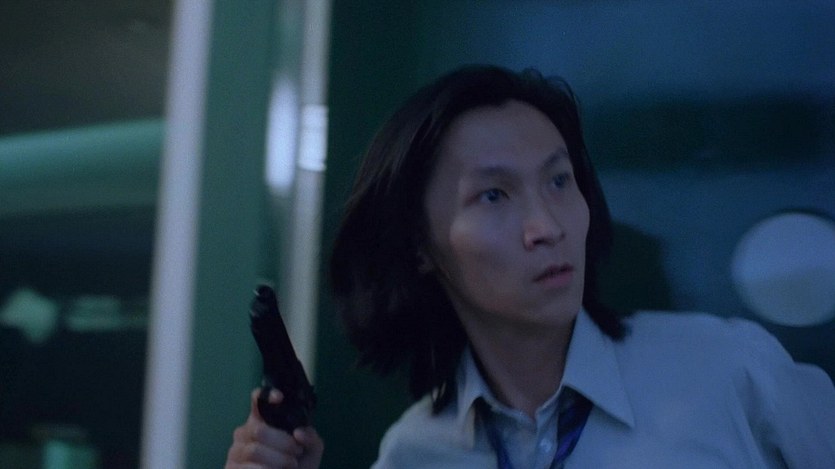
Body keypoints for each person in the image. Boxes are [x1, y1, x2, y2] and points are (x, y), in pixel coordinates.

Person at [225, 65, 835, 469]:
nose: (547, 225)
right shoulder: (414, 454)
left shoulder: (727, 372)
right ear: (419, 246)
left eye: (559, 180)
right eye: (494, 195)